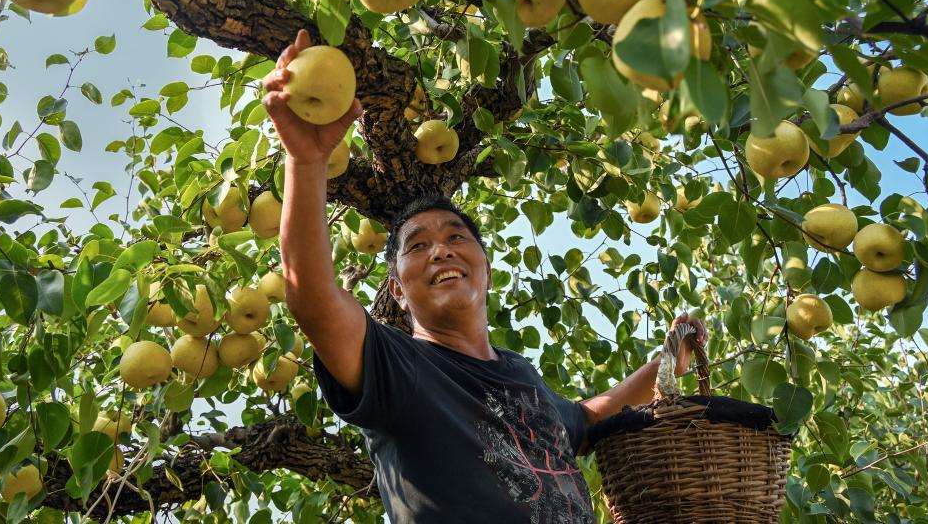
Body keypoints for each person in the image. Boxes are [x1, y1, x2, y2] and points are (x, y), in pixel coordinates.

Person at [263, 29, 708, 523]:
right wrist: (306, 161)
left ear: (487, 270)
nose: (440, 250)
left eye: (456, 237)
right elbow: (314, 300)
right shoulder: (397, 368)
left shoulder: (521, 374)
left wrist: (665, 364)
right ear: (398, 292)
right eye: (418, 246)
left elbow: (584, 419)